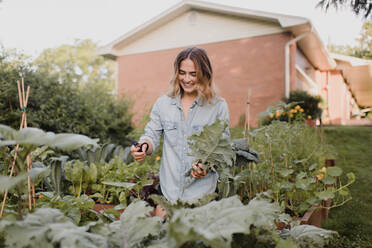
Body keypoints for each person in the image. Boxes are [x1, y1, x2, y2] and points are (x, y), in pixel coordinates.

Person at [130, 47, 230, 217]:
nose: (187, 79)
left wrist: (206, 165)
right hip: (169, 195)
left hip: (202, 197)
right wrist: (143, 147)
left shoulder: (218, 106)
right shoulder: (163, 104)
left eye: (193, 74)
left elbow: (223, 148)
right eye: (182, 73)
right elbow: (151, 134)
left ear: (204, 73)